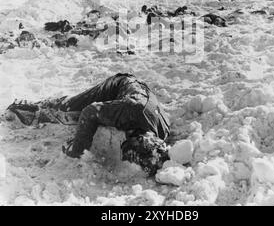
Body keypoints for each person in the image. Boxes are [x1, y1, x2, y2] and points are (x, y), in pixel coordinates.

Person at [5, 73, 171, 176]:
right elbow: (90, 112)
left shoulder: (161, 135)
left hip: (139, 95)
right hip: (118, 85)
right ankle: (29, 109)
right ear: (141, 137)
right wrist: (78, 149)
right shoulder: (132, 110)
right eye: (131, 145)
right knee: (69, 111)